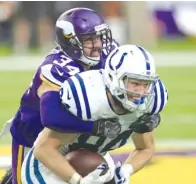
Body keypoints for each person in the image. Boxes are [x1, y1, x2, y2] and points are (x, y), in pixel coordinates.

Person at [0, 7, 120, 184]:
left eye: (98, 37)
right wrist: (95, 127)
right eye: (89, 39)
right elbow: (51, 118)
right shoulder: (57, 68)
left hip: (74, 135)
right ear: (71, 42)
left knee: (96, 173)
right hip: (34, 136)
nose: (97, 44)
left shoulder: (107, 54)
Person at [20, 44, 168, 184]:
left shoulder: (146, 104)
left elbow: (145, 148)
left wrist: (124, 171)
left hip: (94, 162)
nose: (141, 92)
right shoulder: (90, 100)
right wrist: (78, 181)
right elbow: (43, 149)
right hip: (48, 165)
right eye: (135, 83)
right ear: (113, 78)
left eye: (145, 84)